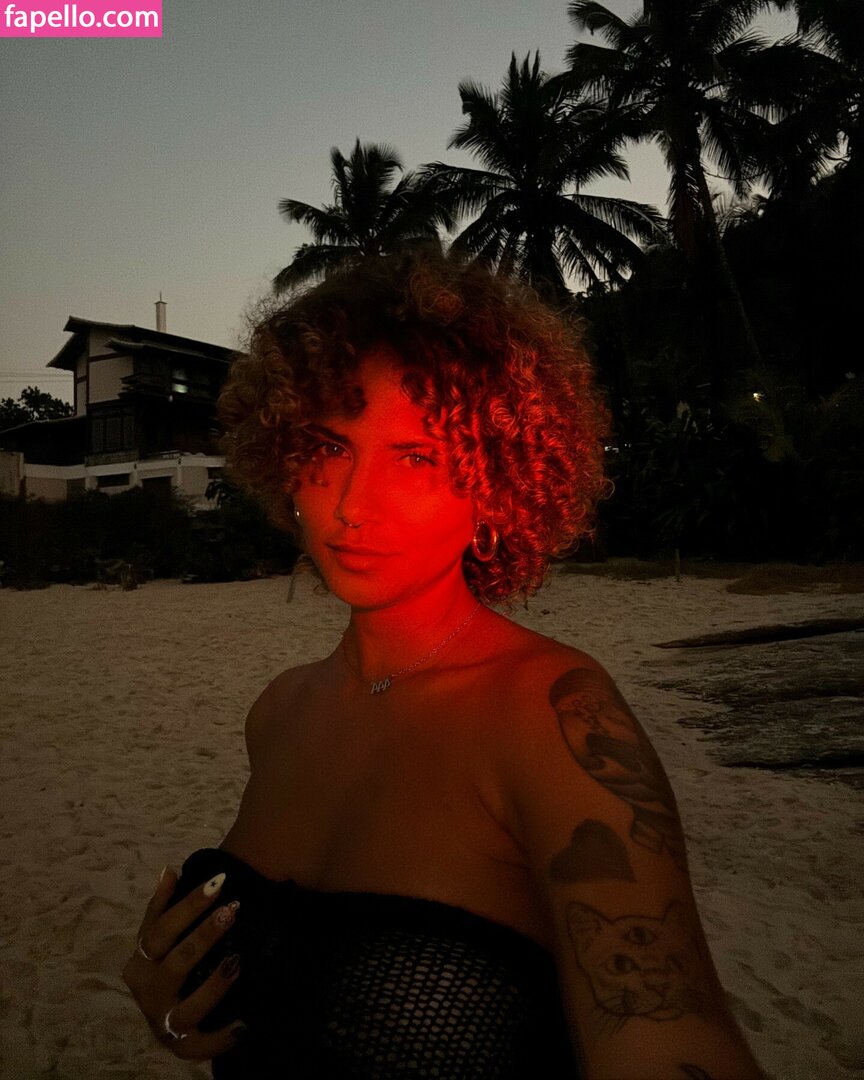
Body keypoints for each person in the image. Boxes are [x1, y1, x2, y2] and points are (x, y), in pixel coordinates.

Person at [122, 254, 763, 1079]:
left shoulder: (551, 715)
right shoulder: (279, 712)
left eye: (417, 457)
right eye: (330, 446)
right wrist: (179, 1008)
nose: (354, 504)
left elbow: (670, 1032)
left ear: (496, 486)